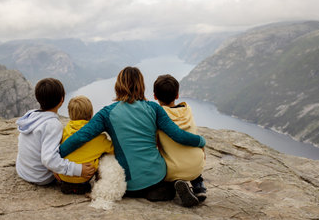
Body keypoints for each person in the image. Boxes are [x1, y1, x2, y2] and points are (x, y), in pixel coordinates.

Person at [59, 67, 206, 207]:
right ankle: (168, 189)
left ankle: (141, 189)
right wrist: (200, 140)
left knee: (104, 150)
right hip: (156, 176)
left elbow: (81, 137)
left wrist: (58, 154)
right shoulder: (154, 108)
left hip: (127, 183)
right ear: (141, 85)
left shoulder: (106, 113)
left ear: (118, 85)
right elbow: (178, 135)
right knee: (164, 177)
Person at [16, 78, 95, 185]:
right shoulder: (53, 125)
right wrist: (78, 170)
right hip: (40, 177)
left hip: (23, 170)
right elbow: (49, 159)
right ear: (62, 100)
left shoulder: (31, 116)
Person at [153, 74, 207, 202]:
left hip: (173, 170)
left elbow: (154, 144)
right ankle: (199, 188)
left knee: (165, 161)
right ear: (177, 95)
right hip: (197, 165)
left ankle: (175, 185)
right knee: (190, 157)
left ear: (155, 96)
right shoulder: (187, 109)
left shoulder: (158, 116)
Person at [58, 95, 114, 194]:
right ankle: (97, 182)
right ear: (91, 115)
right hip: (83, 179)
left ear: (70, 114)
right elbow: (114, 150)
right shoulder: (99, 138)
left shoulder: (64, 131)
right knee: (104, 154)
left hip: (63, 177)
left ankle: (68, 185)